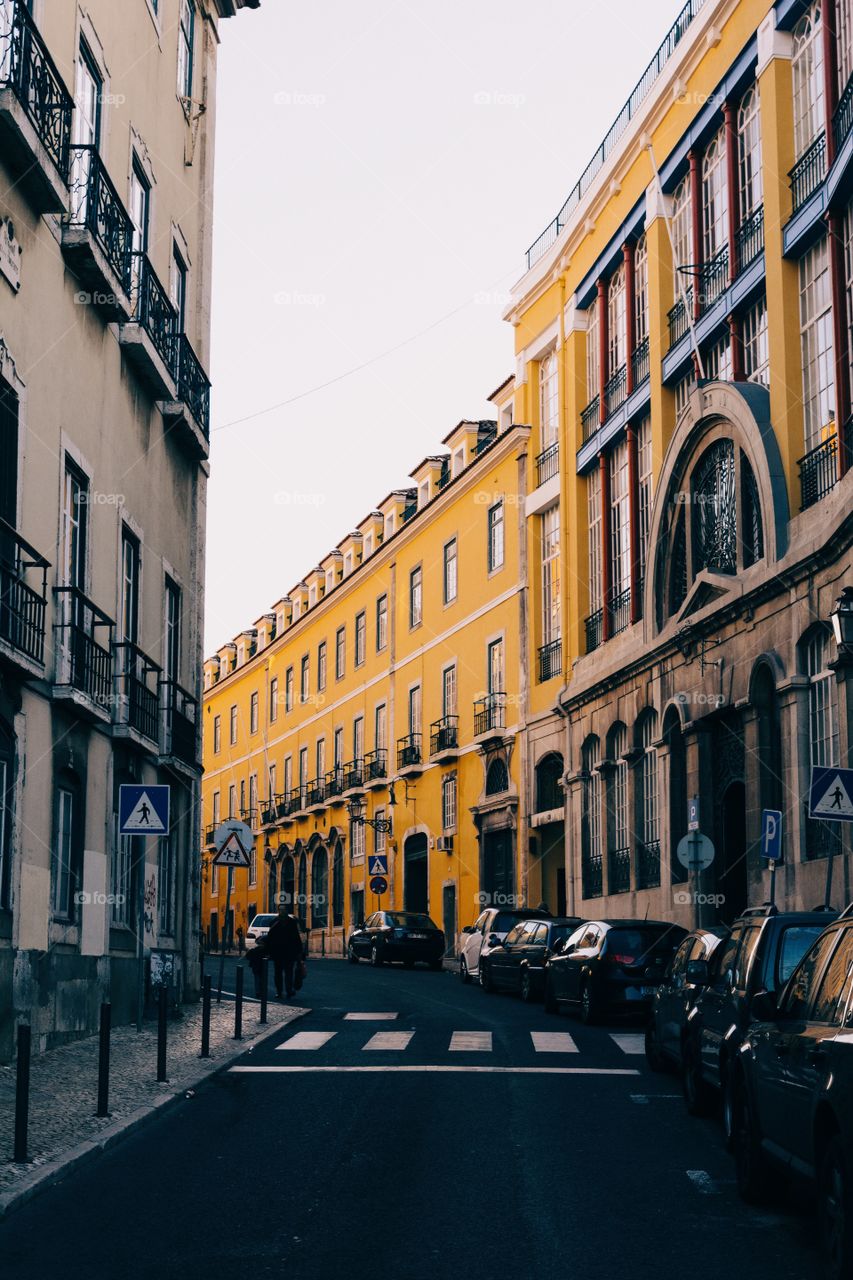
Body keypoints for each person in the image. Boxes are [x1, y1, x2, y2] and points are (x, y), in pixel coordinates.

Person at [264, 906, 304, 999]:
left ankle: (289, 990)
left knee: (288, 973)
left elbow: (296, 938)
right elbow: (270, 938)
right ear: (278, 911)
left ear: (287, 911)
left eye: (284, 909)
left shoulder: (292, 922)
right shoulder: (274, 922)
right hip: (277, 952)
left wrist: (299, 951)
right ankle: (279, 992)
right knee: (278, 973)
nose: (282, 911)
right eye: (281, 909)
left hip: (289, 952)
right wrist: (268, 951)